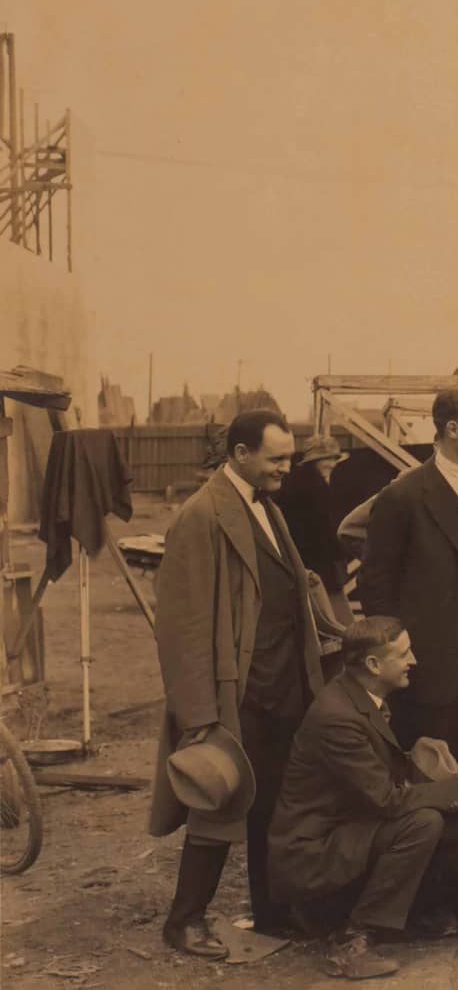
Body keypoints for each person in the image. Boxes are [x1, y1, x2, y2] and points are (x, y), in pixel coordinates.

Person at [151, 410, 326, 958]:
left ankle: (272, 911)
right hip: (235, 692)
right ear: (241, 453)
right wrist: (198, 715)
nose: (285, 468)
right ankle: (185, 920)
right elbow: (181, 627)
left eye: (289, 458)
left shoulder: (267, 505)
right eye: (276, 459)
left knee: (275, 805)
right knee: (217, 803)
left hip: (282, 688)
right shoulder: (201, 516)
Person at [268, 618, 458, 980]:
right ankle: (351, 941)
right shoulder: (338, 717)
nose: (414, 660)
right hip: (312, 850)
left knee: (435, 814)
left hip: (343, 830)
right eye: (403, 654)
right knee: (423, 821)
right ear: (373, 665)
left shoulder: (358, 696)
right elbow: (385, 800)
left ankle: (411, 914)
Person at [359, 387, 458, 778]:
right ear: (452, 429)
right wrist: (401, 658)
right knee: (436, 775)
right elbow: (375, 586)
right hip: (434, 673)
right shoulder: (404, 496)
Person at [278, 434, 353, 639]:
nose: (331, 463)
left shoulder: (295, 482)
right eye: (326, 458)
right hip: (318, 565)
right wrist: (339, 557)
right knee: (340, 623)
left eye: (333, 459)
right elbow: (323, 532)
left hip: (301, 562)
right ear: (313, 461)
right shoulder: (314, 488)